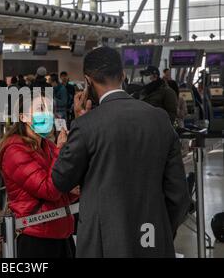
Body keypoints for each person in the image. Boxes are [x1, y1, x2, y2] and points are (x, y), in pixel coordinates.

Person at [52, 47, 190, 258]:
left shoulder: (86, 125)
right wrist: (160, 230)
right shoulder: (160, 119)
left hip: (103, 245)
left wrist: (73, 129)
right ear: (123, 75)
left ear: (88, 81)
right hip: (151, 238)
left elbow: (61, 179)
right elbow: (178, 195)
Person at [0, 95, 79, 258]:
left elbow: (58, 193)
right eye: (41, 109)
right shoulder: (15, 151)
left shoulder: (48, 146)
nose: (48, 114)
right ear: (23, 116)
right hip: (35, 238)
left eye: (50, 110)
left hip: (60, 234)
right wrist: (61, 150)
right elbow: (49, 191)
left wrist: (72, 192)